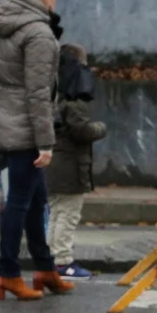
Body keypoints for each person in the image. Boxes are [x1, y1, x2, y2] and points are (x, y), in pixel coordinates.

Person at [0, 0, 74, 301]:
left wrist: (9, 82)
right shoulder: (38, 34)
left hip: (2, 118)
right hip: (26, 130)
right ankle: (7, 274)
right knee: (20, 203)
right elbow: (38, 93)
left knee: (34, 201)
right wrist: (45, 143)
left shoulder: (4, 19)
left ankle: (45, 269)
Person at [47, 44, 107, 279]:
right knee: (68, 215)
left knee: (57, 214)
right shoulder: (74, 105)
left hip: (56, 167)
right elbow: (82, 131)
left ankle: (52, 257)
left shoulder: (55, 98)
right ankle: (63, 261)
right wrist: (100, 128)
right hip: (69, 169)